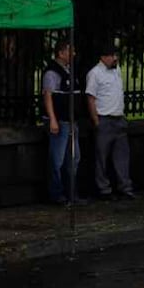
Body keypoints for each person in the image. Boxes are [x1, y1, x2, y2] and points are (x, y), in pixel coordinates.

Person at [86, 42, 136, 201]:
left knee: (122, 156)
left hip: (118, 118)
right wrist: (96, 120)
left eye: (116, 55)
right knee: (102, 157)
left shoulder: (117, 71)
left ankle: (125, 187)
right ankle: (103, 189)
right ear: (103, 57)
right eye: (112, 56)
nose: (115, 58)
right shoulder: (94, 73)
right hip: (104, 119)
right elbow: (91, 98)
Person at [43, 38, 86, 206]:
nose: (73, 54)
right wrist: (53, 120)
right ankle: (57, 194)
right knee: (57, 159)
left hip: (71, 121)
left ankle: (71, 193)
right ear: (61, 53)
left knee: (73, 159)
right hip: (60, 122)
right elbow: (48, 96)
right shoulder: (52, 73)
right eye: (70, 51)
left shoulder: (68, 71)